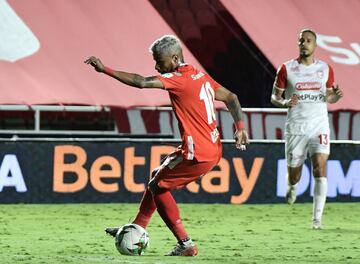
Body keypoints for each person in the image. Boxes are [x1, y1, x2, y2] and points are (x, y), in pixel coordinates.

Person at [85, 35, 249, 256]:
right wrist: (240, 127)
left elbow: (141, 82)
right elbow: (231, 97)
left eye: (159, 61)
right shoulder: (199, 76)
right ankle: (137, 226)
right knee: (157, 176)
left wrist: (105, 69)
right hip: (209, 147)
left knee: (158, 186)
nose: (156, 66)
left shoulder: (177, 79)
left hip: (197, 152)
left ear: (174, 59)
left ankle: (185, 243)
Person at [271, 29, 343, 229]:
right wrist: (285, 102)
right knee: (296, 175)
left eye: (308, 41)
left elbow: (328, 97)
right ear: (298, 43)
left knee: (320, 168)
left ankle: (317, 221)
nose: (304, 43)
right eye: (301, 40)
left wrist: (336, 96)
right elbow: (274, 97)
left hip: (319, 126)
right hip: (296, 128)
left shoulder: (325, 69)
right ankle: (292, 187)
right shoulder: (286, 68)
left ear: (315, 45)